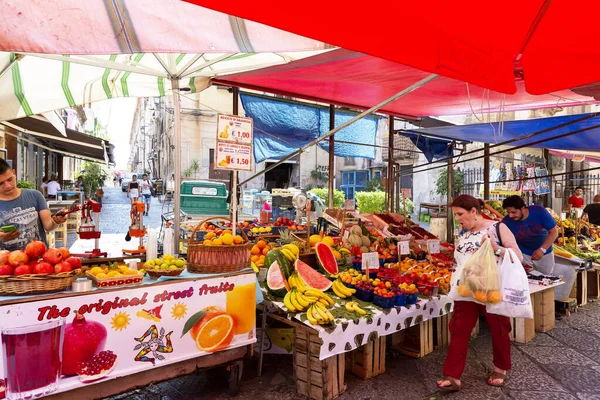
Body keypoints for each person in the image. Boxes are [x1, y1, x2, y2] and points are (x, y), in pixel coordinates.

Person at [437, 195, 522, 392]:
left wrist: (496, 249)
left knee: (499, 328)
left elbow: (517, 255)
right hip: (466, 290)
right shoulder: (464, 234)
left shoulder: (498, 228)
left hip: (491, 289)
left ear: (474, 212)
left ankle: (500, 368)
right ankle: (453, 375)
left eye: (460, 214)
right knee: (458, 329)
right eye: (455, 215)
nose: (457, 218)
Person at [0, 160, 67, 251]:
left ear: (14, 172)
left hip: (40, 261)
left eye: (10, 179)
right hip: (8, 263)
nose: (8, 186)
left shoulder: (35, 195)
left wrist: (56, 221)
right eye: (1, 183)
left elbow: (48, 226)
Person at [502, 195, 558, 275]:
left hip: (545, 252)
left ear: (523, 208)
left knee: (546, 279)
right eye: (508, 213)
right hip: (523, 254)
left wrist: (542, 249)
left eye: (513, 212)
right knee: (526, 279)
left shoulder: (539, 211)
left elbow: (554, 232)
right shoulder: (506, 222)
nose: (510, 216)